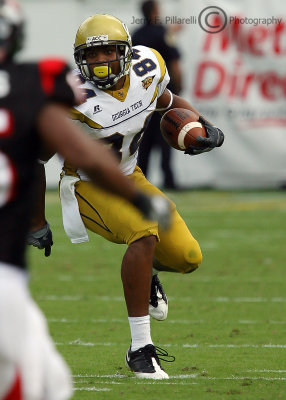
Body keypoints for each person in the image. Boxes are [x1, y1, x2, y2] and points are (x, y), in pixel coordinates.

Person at [29, 13, 224, 380]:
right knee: (145, 230)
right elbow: (35, 159)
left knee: (188, 257)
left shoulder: (147, 69)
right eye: (93, 55)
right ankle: (140, 349)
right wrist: (37, 220)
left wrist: (202, 125)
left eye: (108, 53)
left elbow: (169, 101)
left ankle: (145, 271)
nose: (101, 62)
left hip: (129, 176)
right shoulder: (69, 99)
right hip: (85, 184)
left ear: (127, 53)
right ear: (79, 60)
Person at [0, 2, 171, 398]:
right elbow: (78, 154)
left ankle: (146, 281)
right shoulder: (37, 83)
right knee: (45, 382)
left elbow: (73, 153)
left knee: (44, 380)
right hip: (7, 269)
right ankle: (141, 345)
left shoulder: (45, 87)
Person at [132, 0, 182, 189]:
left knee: (143, 142)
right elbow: (174, 62)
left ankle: (141, 182)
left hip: (140, 97)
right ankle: (169, 181)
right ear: (154, 11)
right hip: (161, 95)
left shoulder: (136, 34)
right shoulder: (163, 32)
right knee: (166, 137)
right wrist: (178, 88)